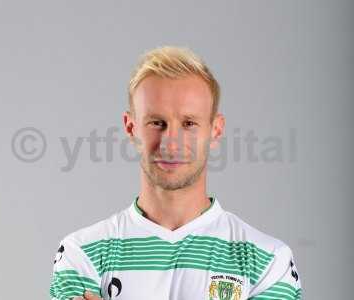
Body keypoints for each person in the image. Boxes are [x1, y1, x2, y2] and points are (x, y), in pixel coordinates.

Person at [49, 46, 302, 300]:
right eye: (156, 123)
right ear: (131, 128)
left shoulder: (269, 261)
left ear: (215, 130)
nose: (171, 144)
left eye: (189, 123)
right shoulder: (80, 253)